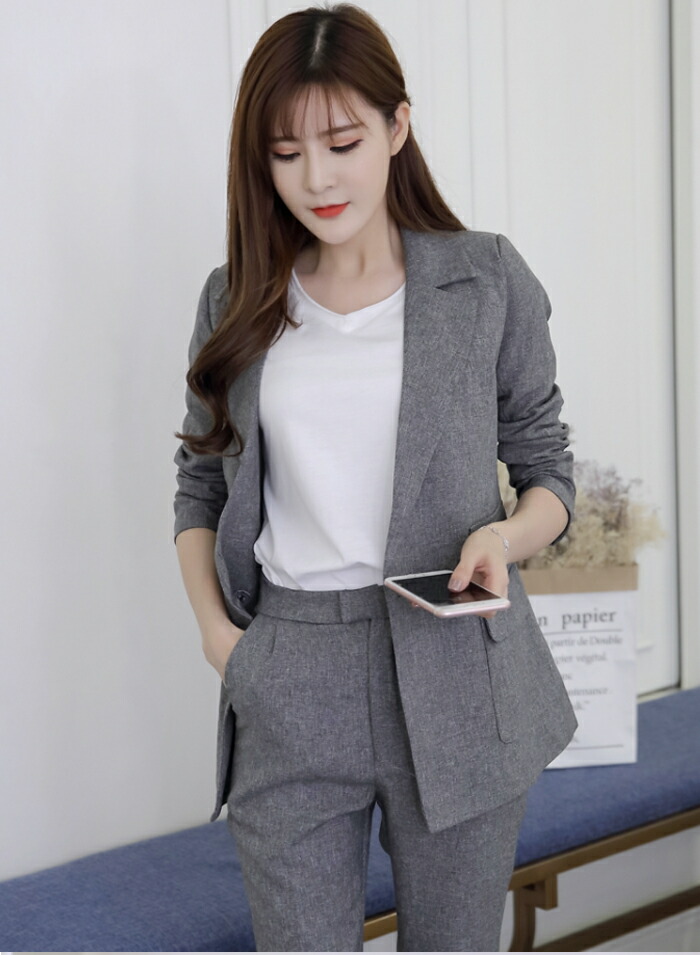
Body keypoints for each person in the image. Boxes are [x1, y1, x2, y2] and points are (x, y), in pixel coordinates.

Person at [173, 3, 578, 950]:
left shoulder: (484, 280)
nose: (316, 177)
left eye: (343, 142)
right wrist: (220, 640)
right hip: (289, 666)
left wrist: (503, 535)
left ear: (398, 127)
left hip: (455, 663)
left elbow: (548, 470)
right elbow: (199, 484)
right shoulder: (235, 298)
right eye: (285, 152)